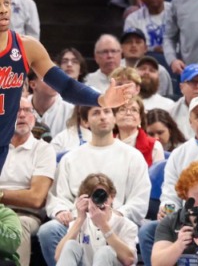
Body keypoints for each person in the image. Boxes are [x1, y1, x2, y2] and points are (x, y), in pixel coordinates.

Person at [0, 0, 134, 173]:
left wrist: (101, 100)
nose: (3, 10)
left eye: (6, 3)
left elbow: (65, 85)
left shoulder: (26, 46)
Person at [39, 104, 150, 265]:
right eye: (96, 113)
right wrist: (63, 210)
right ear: (85, 121)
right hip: (78, 220)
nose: (103, 117)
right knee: (48, 230)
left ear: (114, 118)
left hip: (117, 220)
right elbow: (57, 197)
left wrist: (113, 215)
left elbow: (139, 201)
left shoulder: (133, 156)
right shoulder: (70, 158)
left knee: (107, 250)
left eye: (107, 112)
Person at [0, 97, 56, 266]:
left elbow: (36, 199)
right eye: (17, 111)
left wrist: (1, 194)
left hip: (26, 215)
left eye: (27, 110)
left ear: (34, 117)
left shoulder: (43, 150)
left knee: (18, 225)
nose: (22, 115)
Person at [53, 173, 139, 266]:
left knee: (105, 252)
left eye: (103, 195)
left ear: (112, 197)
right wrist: (79, 219)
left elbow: (129, 260)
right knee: (70, 245)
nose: (99, 200)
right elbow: (58, 257)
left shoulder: (126, 225)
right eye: (95, 196)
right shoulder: (80, 223)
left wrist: (103, 225)